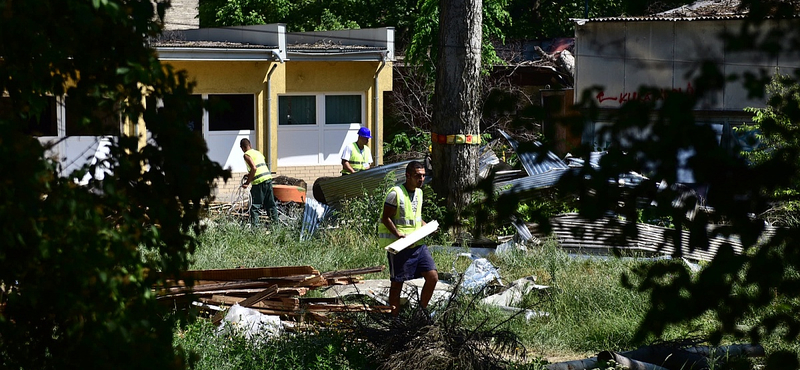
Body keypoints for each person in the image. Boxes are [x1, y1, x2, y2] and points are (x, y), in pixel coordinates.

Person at [378, 160, 438, 317]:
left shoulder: (419, 193)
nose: (421, 179)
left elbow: (416, 218)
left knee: (432, 276)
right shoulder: (395, 194)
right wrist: (398, 233)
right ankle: (394, 320)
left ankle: (420, 314)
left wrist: (428, 227)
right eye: (418, 176)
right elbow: (386, 218)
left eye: (424, 176)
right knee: (397, 284)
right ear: (408, 176)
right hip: (400, 246)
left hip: (418, 245)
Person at [240, 138, 278, 227]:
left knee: (254, 207)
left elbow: (254, 168)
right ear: (250, 145)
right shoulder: (257, 153)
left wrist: (247, 182)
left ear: (242, 148)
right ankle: (276, 227)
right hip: (268, 179)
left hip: (259, 183)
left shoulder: (246, 155)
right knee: (271, 205)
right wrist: (248, 175)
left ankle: (255, 231)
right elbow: (259, 167)